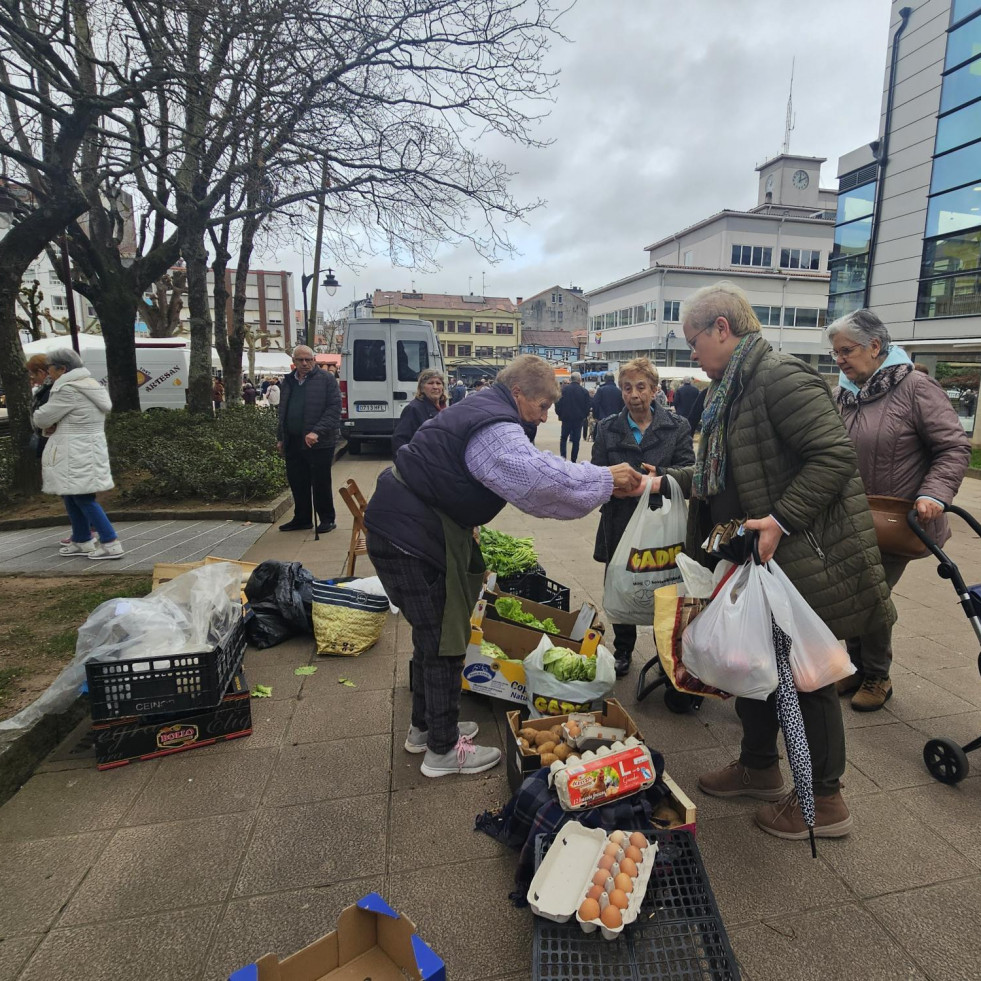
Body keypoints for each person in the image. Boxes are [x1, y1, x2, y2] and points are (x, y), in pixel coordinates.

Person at [649, 281, 895, 842]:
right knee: (752, 664)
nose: (691, 354)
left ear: (721, 329)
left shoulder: (778, 377)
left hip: (798, 558)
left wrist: (780, 519)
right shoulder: (728, 388)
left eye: (693, 341)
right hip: (749, 560)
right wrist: (664, 480)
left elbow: (833, 457)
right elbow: (725, 472)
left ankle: (827, 800)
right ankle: (759, 765)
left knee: (807, 677)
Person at [363, 355, 643, 778]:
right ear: (517, 394)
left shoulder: (481, 407)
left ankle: (426, 727)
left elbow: (450, 466)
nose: (546, 414)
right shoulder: (496, 424)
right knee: (444, 640)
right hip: (413, 535)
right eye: (542, 405)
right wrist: (604, 479)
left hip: (403, 525)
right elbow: (539, 480)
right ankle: (441, 752)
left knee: (430, 635)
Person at [828, 309, 970, 710]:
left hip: (899, 519)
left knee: (869, 596)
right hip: (852, 518)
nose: (839, 359)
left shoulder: (916, 387)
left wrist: (936, 494)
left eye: (846, 350)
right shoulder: (848, 393)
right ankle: (855, 667)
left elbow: (954, 447)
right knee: (851, 594)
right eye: (835, 352)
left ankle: (877, 674)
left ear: (875, 346)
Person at [591, 357, 695, 677]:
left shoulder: (676, 427)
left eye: (640, 387)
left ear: (654, 390)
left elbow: (691, 472)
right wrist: (610, 486)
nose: (633, 394)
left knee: (662, 583)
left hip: (661, 520)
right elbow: (596, 474)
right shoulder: (608, 428)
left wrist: (660, 475)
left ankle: (666, 649)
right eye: (627, 387)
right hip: (619, 520)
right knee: (621, 582)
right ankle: (623, 648)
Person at [33, 348, 124, 559]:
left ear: (62, 368)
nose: (48, 373)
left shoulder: (68, 389)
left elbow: (42, 417)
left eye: (50, 368)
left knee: (82, 497)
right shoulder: (90, 385)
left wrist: (47, 423)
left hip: (74, 450)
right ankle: (82, 539)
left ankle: (110, 542)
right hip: (86, 449)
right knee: (71, 495)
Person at [276, 345, 341, 533]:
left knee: (320, 482)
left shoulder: (326, 379)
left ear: (314, 360)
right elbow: (283, 411)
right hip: (293, 440)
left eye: (308, 359)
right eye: (300, 360)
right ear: (294, 362)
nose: (305, 363)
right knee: (297, 481)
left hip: (319, 442)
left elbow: (334, 409)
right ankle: (302, 518)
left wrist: (317, 431)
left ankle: (327, 519)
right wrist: (280, 437)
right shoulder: (288, 381)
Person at [392, 368, 447, 453]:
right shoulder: (413, 408)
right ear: (421, 388)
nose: (435, 387)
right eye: (430, 383)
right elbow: (400, 440)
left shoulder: (444, 409)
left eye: (438, 383)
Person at [555, 371, 591, 461]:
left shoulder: (563, 391)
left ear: (571, 380)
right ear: (580, 380)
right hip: (578, 419)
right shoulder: (584, 392)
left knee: (563, 438)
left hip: (566, 418)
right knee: (576, 440)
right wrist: (584, 415)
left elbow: (557, 403)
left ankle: (563, 458)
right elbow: (588, 406)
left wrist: (560, 414)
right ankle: (573, 460)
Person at [27, 354, 53, 458]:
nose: (33, 379)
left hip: (49, 442)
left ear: (41, 373)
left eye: (33, 375)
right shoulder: (47, 389)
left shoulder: (48, 391)